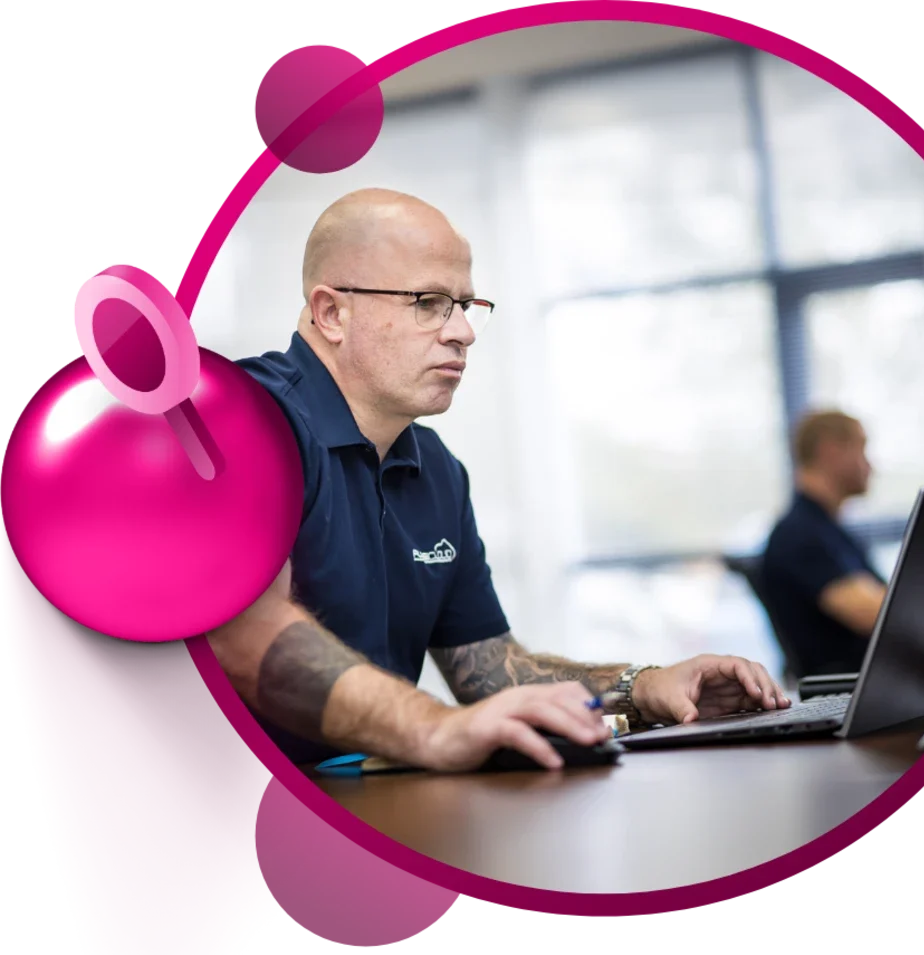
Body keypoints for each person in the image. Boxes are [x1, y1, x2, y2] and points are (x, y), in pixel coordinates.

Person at [207, 188, 789, 773]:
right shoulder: (237, 423)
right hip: (212, 820)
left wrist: (645, 686)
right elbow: (248, 638)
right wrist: (434, 729)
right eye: (429, 302)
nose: (463, 331)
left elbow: (485, 665)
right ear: (333, 312)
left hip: (355, 803)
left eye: (464, 304)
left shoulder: (434, 468)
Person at [760, 410, 888, 677]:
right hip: (846, 690)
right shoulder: (798, 535)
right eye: (861, 449)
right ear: (831, 452)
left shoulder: (832, 532)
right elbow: (878, 616)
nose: (871, 467)